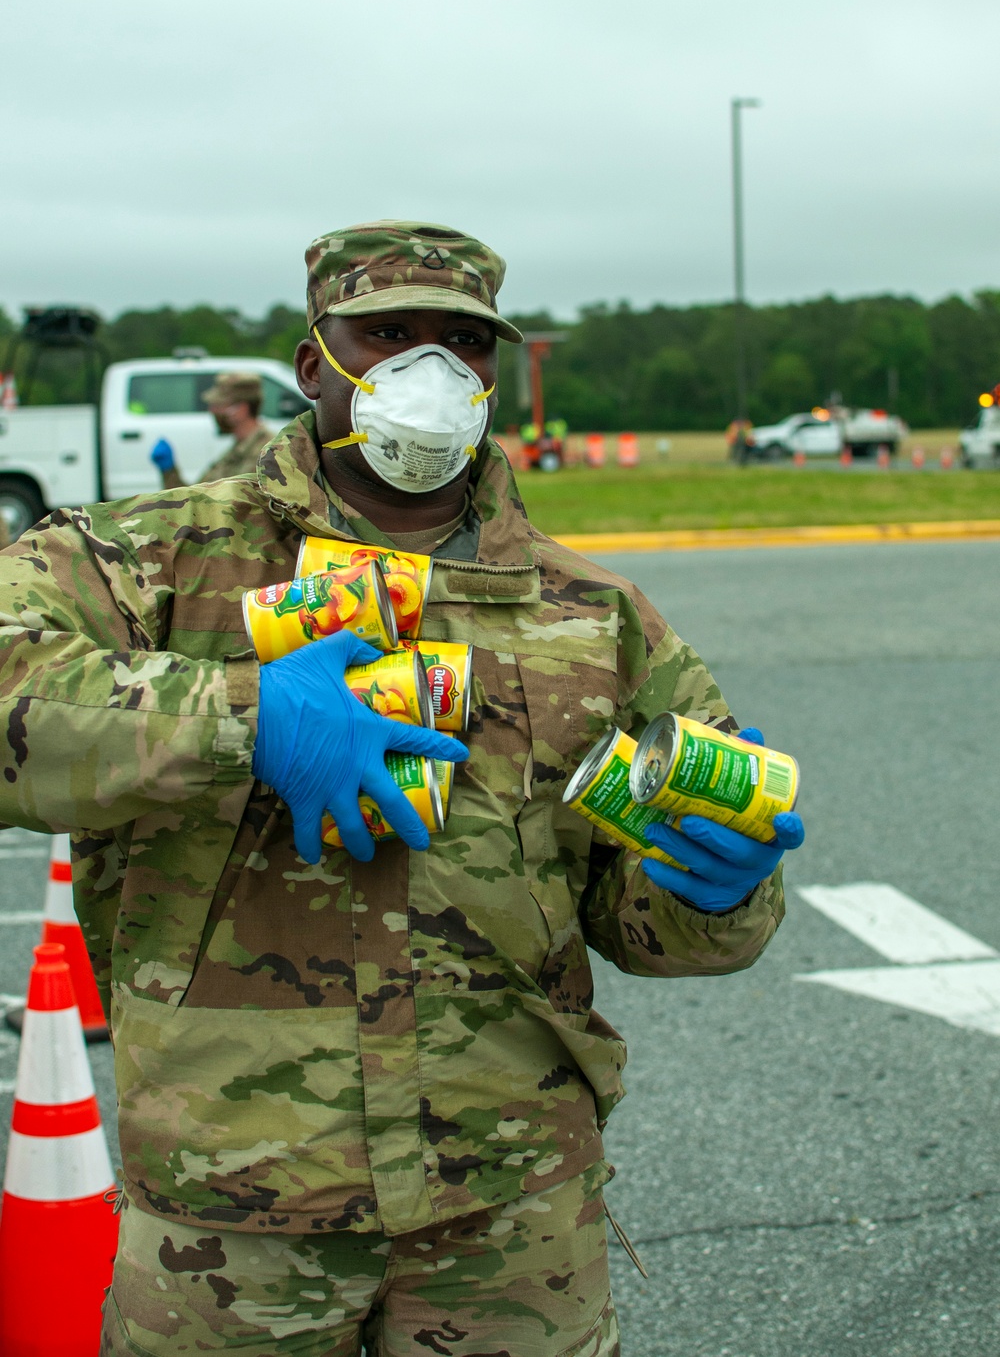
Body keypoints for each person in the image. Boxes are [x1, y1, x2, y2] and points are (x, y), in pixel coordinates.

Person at [0, 220, 802, 1356]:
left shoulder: (592, 616)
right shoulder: (154, 565)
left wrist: (718, 894)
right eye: (386, 334)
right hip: (234, 1213)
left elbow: (653, 924)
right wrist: (241, 715)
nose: (426, 370)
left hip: (511, 1208)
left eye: (462, 343)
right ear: (313, 360)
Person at [149, 370, 270, 486]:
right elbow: (197, 498)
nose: (212, 411)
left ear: (241, 409)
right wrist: (169, 471)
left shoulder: (267, 455)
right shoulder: (236, 451)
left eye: (219, 405)